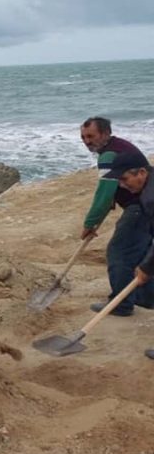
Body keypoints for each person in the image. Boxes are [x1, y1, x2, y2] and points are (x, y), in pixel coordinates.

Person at [79, 117, 151, 317]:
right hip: (144, 206)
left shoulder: (108, 155)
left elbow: (104, 193)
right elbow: (112, 188)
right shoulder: (119, 146)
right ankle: (145, 298)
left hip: (138, 208)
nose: (87, 141)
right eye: (83, 137)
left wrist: (90, 223)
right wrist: (113, 197)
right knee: (141, 254)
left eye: (91, 136)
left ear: (105, 133)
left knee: (119, 253)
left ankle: (121, 304)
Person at [105, 152, 154, 358]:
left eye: (125, 179)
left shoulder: (151, 197)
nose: (122, 185)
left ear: (141, 172)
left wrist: (147, 267)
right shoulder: (148, 187)